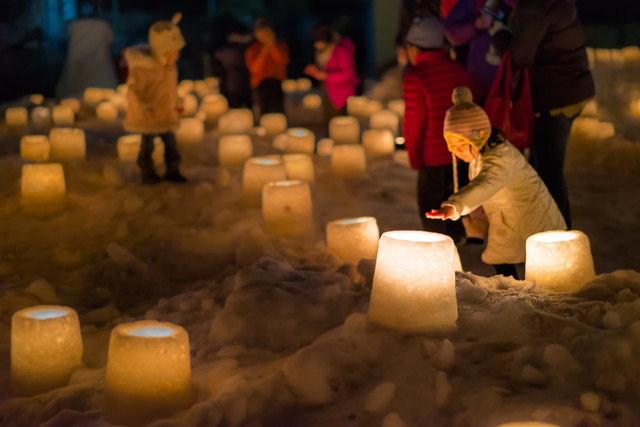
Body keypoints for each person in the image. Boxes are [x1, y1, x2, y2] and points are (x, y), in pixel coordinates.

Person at [427, 87, 566, 278]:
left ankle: (534, 292)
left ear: (476, 137)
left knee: (540, 267)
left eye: (460, 146)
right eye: (452, 146)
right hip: (508, 219)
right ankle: (514, 289)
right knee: (501, 258)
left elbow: (485, 184)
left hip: (532, 220)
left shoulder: (500, 157)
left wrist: (455, 205)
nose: (456, 152)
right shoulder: (482, 153)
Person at [510, 0, 596, 228]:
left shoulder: (536, 6)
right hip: (569, 89)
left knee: (548, 171)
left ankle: (557, 234)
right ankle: (556, 229)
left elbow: (519, 55)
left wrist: (498, 34)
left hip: (554, 96)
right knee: (547, 168)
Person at [401, 17, 471, 242]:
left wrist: (414, 156)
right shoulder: (457, 69)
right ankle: (458, 240)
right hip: (460, 152)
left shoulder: (416, 76)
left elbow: (415, 122)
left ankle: (437, 249)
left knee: (431, 206)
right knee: (456, 201)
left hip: (432, 156)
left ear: (415, 48)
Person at [124, 13, 187, 184]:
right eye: (174, 51)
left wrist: (177, 102)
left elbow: (170, 89)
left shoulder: (169, 66)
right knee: (147, 144)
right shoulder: (144, 68)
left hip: (165, 113)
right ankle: (147, 170)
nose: (177, 55)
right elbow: (135, 89)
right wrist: (144, 105)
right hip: (149, 114)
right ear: (164, 51)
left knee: (170, 143)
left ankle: (172, 169)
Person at [442, 0, 514, 106]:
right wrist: (477, 24)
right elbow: (452, 31)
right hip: (479, 77)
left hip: (510, 78)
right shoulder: (472, 3)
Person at [56, 4, 118, 98]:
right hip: (86, 67)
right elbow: (111, 43)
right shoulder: (102, 25)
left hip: (90, 67)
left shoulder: (75, 26)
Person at [304, 27, 359, 121]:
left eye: (318, 42)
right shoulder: (321, 53)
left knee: (339, 122)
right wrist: (315, 70)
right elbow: (325, 68)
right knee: (328, 120)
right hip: (327, 92)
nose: (316, 45)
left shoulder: (340, 52)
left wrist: (326, 76)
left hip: (341, 95)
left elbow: (348, 74)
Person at [245, 17, 289, 116]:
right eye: (261, 32)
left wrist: (272, 47)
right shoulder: (253, 49)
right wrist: (263, 53)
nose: (264, 35)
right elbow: (253, 69)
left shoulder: (280, 45)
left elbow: (282, 62)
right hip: (260, 84)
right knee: (264, 112)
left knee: (278, 112)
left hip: (277, 81)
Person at [213, 21, 253, 109]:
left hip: (243, 84)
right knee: (235, 108)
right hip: (233, 84)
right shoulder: (226, 48)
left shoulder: (244, 48)